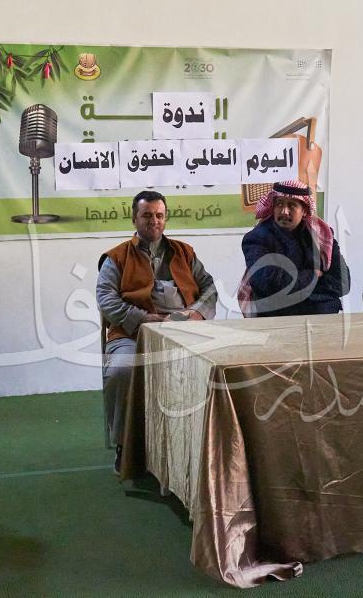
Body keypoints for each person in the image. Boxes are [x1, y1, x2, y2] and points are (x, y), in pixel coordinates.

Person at [96, 191, 216, 468]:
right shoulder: (116, 257)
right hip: (133, 335)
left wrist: (196, 313)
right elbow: (106, 299)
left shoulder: (185, 252)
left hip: (184, 332)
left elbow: (209, 288)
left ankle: (200, 445)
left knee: (216, 368)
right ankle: (125, 446)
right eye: (147, 215)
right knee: (122, 371)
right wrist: (142, 319)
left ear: (166, 218)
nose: (154, 221)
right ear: (134, 219)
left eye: (159, 215)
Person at [239, 179, 349, 317]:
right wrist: (313, 275)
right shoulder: (257, 238)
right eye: (279, 204)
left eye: (292, 205)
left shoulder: (322, 235)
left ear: (304, 210)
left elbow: (342, 282)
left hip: (320, 321)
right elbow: (267, 283)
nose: (284, 211)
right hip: (276, 321)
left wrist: (293, 290)